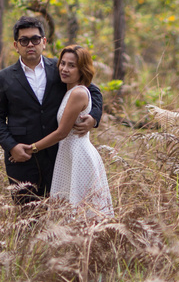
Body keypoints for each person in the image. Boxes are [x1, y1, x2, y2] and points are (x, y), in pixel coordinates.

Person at [0, 16, 103, 202]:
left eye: (35, 39)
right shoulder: (4, 77)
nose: (30, 44)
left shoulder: (59, 68)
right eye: (24, 40)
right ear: (16, 45)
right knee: (28, 215)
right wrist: (11, 146)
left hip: (57, 154)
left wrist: (94, 117)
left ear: (44, 42)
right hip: (21, 156)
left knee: (59, 212)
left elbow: (92, 89)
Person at [14, 44, 113, 216]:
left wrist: (32, 148)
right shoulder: (67, 86)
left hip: (78, 154)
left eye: (72, 65)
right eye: (63, 63)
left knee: (80, 211)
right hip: (67, 154)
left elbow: (62, 132)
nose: (65, 69)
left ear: (82, 69)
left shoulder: (78, 93)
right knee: (69, 210)